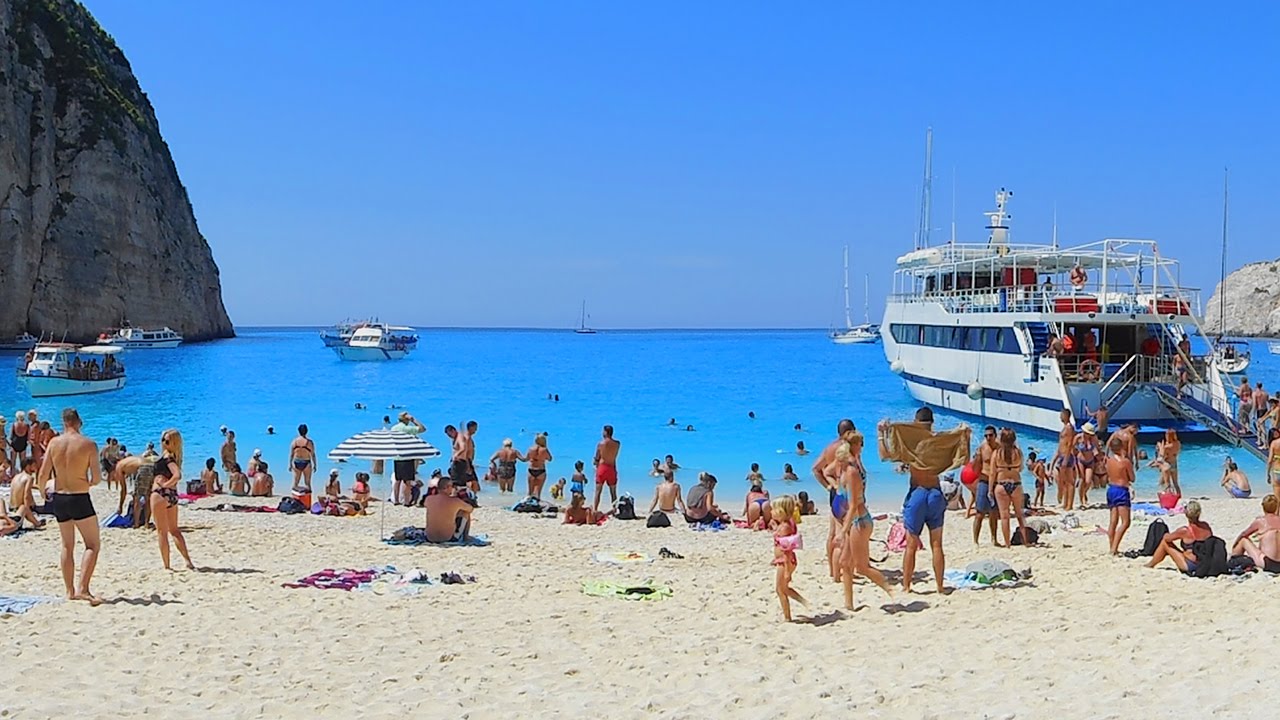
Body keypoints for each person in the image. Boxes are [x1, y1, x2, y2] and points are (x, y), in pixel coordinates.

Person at [878, 407, 969, 594]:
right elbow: (963, 458)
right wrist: (965, 436)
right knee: (937, 544)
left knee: (911, 544)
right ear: (932, 422)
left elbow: (885, 455)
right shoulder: (939, 443)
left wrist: (881, 434)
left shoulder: (912, 444)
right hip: (935, 493)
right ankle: (940, 586)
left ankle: (906, 586)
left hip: (917, 493)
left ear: (915, 422)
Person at [38, 408, 102, 604]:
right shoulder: (88, 444)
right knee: (92, 544)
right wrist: (88, 483)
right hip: (79, 497)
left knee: (67, 545)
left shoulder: (53, 443)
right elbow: (97, 478)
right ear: (79, 422)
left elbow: (43, 474)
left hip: (60, 498)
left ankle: (69, 591)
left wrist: (43, 493)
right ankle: (83, 588)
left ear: (64, 422)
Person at [832, 435, 893, 609]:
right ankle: (849, 604)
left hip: (860, 521)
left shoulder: (851, 472)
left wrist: (843, 530)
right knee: (845, 562)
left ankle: (888, 589)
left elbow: (853, 505)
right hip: (854, 521)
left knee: (862, 567)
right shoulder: (846, 470)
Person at [812, 418, 856, 581]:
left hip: (835, 493)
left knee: (833, 532)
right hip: (846, 491)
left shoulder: (830, 448)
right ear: (850, 431)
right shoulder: (848, 449)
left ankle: (833, 570)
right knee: (846, 533)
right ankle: (845, 569)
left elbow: (817, 469)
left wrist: (829, 486)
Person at [768, 494, 807, 622]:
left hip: (785, 561)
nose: (771, 512)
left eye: (774, 509)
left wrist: (786, 571)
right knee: (783, 588)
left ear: (781, 511)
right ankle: (803, 601)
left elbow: (787, 550)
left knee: (780, 589)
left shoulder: (785, 527)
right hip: (783, 561)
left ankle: (787, 617)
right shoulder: (784, 524)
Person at [1146, 500, 1212, 573]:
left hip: (1191, 564)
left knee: (1164, 543)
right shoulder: (1205, 526)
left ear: (1186, 514)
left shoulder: (1184, 531)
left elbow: (1167, 538)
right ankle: (1151, 564)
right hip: (1204, 562)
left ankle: (1151, 564)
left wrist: (1167, 533)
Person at [991, 428, 1030, 547]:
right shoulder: (1018, 453)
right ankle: (1025, 541)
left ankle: (1007, 543)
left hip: (1001, 485)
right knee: (1020, 514)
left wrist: (989, 489)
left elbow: (992, 473)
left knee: (1004, 516)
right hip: (1016, 484)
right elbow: (1021, 468)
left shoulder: (996, 453)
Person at [1231, 495, 1280, 572]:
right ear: (1276, 507)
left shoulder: (1260, 521)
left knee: (1243, 540)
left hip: (1268, 562)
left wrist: (1235, 543)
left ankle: (1234, 558)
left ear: (1263, 507)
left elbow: (1244, 534)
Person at [1105, 434, 1134, 555]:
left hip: (1111, 489)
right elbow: (1132, 478)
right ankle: (1113, 548)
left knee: (1113, 521)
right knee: (1125, 522)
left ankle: (1112, 546)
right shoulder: (1125, 462)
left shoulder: (1109, 461)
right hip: (1121, 490)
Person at [423, 477, 475, 542]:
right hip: (448, 538)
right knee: (465, 512)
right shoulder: (455, 501)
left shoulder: (428, 499)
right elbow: (470, 509)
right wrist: (456, 497)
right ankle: (466, 537)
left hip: (429, 538)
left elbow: (439, 506)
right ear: (447, 487)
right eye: (452, 486)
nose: (453, 488)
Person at [391, 412, 426, 505]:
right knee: (407, 481)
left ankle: (396, 500)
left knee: (397, 480)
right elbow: (423, 429)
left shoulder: (393, 428)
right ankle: (406, 501)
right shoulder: (406, 429)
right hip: (407, 456)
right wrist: (413, 420)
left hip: (397, 457)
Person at [973, 425, 1000, 545]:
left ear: (995, 436)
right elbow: (975, 469)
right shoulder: (982, 448)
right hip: (984, 481)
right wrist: (977, 458)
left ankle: (994, 539)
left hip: (996, 482)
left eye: (990, 435)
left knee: (994, 513)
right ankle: (976, 540)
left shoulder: (1000, 448)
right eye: (986, 435)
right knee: (980, 513)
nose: (988, 438)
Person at [9, 457, 44, 529]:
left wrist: (38, 487)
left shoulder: (16, 476)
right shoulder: (29, 478)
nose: (36, 467)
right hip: (21, 510)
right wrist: (27, 509)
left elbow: (21, 486)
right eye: (34, 465)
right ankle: (37, 523)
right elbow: (26, 495)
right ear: (28, 466)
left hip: (11, 508)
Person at [592, 425, 620, 514]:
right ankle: (615, 509)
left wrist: (595, 463)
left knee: (598, 491)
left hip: (603, 467)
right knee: (613, 492)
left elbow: (597, 457)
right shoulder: (617, 444)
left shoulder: (601, 444)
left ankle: (595, 509)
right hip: (612, 467)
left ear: (605, 432)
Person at [1052, 409, 1077, 510]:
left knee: (1069, 482)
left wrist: (1066, 458)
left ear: (1066, 415)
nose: (1060, 417)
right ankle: (1065, 503)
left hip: (1066, 456)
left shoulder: (1069, 428)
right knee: (1064, 482)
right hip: (1062, 455)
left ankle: (1069, 505)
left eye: (1061, 415)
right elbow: (1061, 443)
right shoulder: (1064, 428)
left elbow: (1070, 443)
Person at [1075, 423, 1101, 507]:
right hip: (1080, 460)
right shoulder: (1078, 437)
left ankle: (1084, 493)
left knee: (1088, 481)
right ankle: (1081, 499)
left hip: (1090, 461)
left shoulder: (1094, 438)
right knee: (1082, 479)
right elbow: (1072, 448)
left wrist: (1100, 459)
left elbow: (1098, 449)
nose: (1088, 435)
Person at [289, 424, 316, 497]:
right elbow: (313, 454)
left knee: (295, 483)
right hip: (306, 462)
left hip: (296, 461)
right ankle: (308, 500)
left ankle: (294, 498)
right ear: (307, 431)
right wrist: (315, 464)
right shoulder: (309, 442)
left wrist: (290, 464)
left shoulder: (294, 441)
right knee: (307, 483)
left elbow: (291, 454)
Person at [526, 433, 552, 499]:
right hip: (541, 470)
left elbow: (526, 458)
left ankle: (528, 505)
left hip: (531, 469)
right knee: (538, 493)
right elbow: (550, 459)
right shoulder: (544, 450)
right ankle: (536, 504)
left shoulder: (531, 449)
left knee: (530, 492)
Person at [1162, 428, 1183, 497]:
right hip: (1174, 463)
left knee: (1167, 484)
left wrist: (1161, 446)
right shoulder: (1178, 443)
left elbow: (1163, 456)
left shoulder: (1167, 447)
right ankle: (1179, 496)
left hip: (1167, 464)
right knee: (1175, 483)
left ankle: (1168, 497)